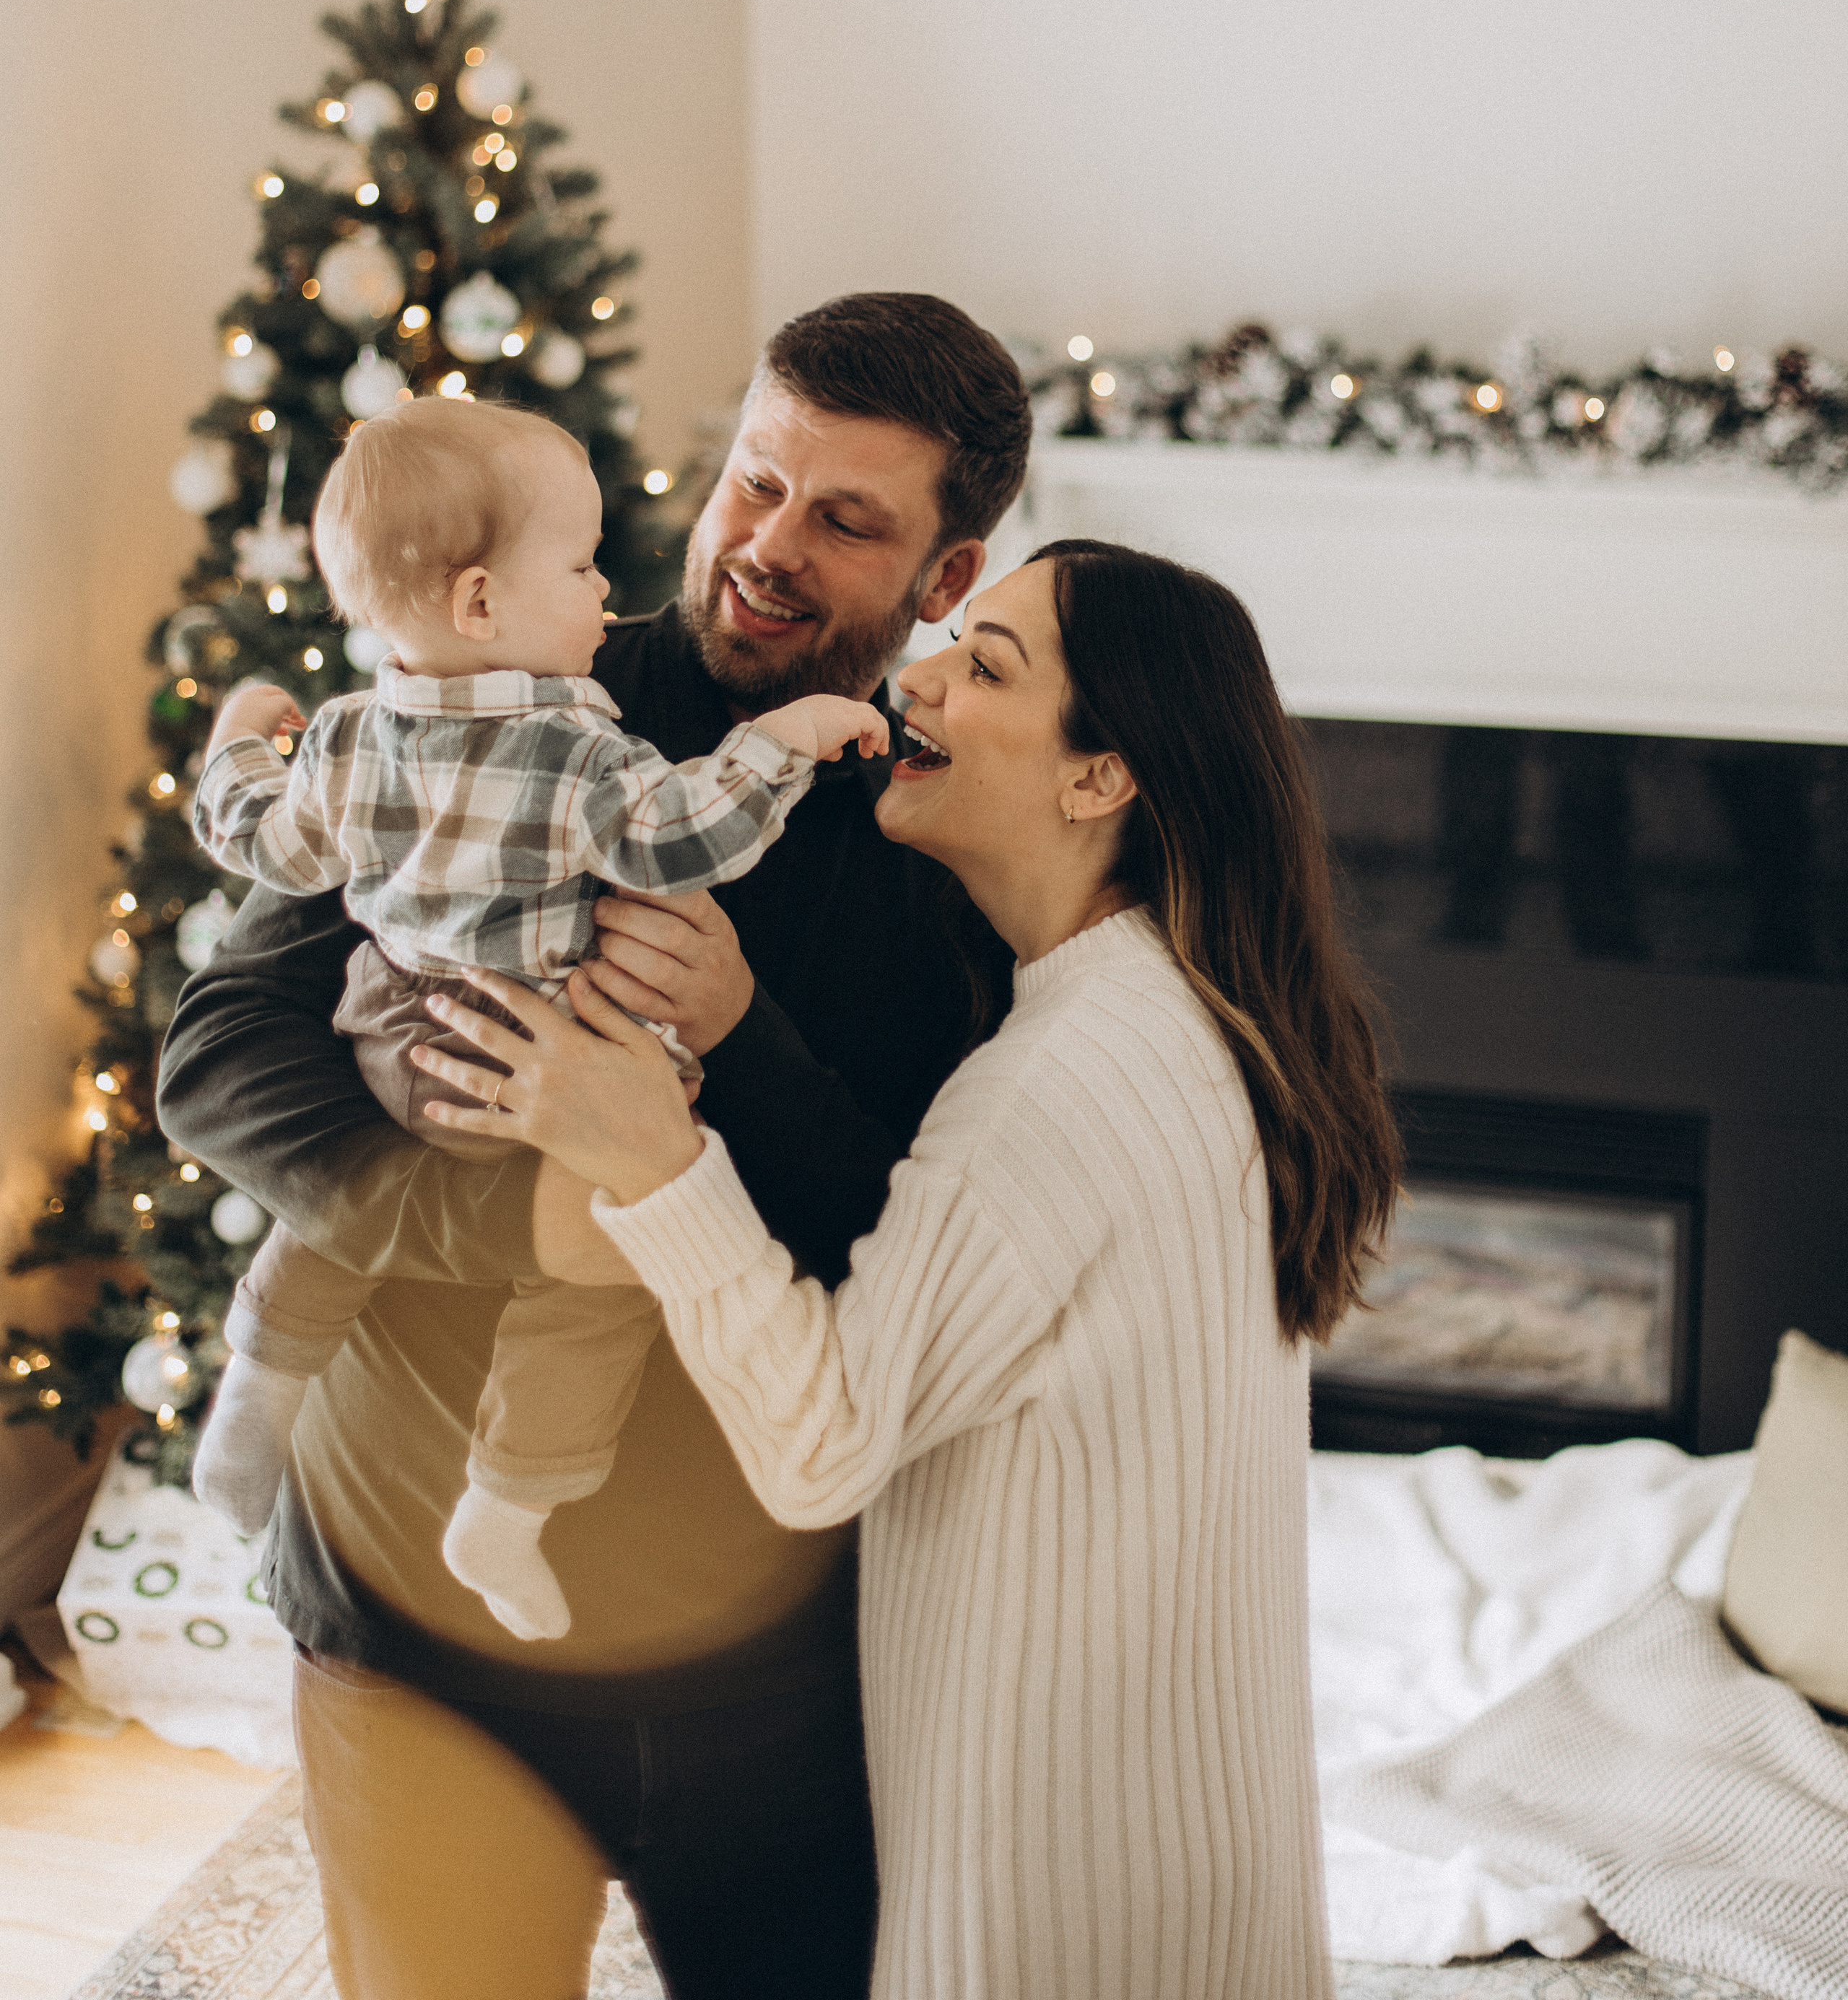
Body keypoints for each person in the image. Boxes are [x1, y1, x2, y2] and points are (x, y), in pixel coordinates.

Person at [156, 293, 1029, 2000]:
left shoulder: (939, 840)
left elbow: (911, 1250)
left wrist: (735, 1042)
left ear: (945, 576)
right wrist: (512, 1225)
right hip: (408, 1622)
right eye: (751, 486)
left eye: (845, 521)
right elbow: (223, 1057)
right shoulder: (487, 699)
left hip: (770, 1674)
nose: (766, 548)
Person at [414, 539, 1404, 2000]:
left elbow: (821, 1444)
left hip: (1051, 1889)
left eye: (985, 664)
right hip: (1169, 1853)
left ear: (1099, 778)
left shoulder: (1061, 1080)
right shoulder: (1180, 1019)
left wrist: (649, 1159)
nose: (917, 673)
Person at [188, 393, 885, 1643]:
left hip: (390, 1040)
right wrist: (788, 741)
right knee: (607, 1272)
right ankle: (509, 1501)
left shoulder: (347, 734)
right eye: (577, 566)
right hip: (533, 1079)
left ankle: (254, 1387)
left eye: (845, 520)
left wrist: (240, 740)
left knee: (329, 1219)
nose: (606, 592)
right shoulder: (582, 749)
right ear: (479, 604)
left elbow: (265, 842)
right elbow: (685, 833)